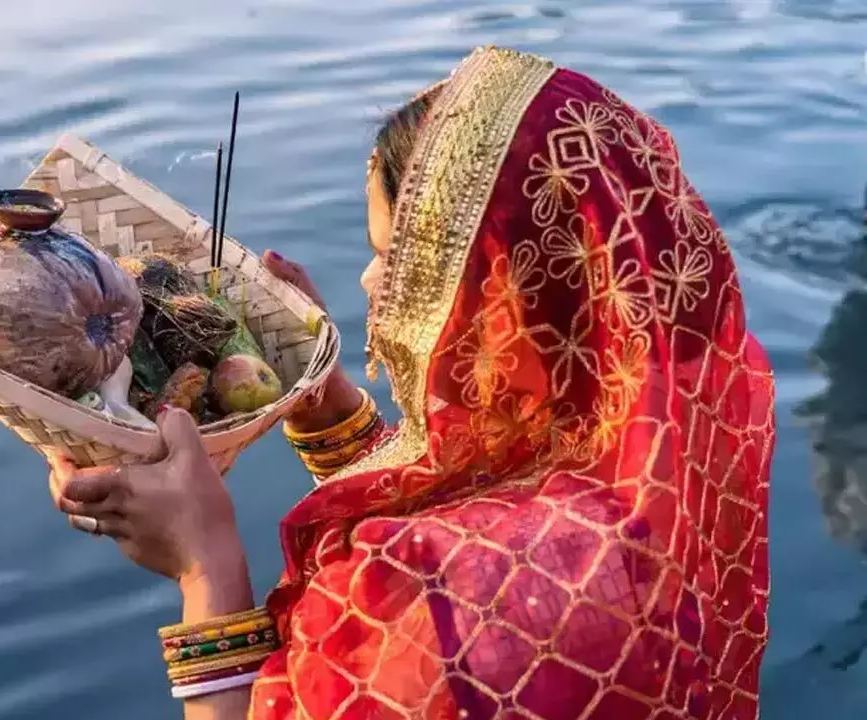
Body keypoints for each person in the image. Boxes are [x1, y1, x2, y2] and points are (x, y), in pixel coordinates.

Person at [45, 46, 776, 720]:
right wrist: (328, 414)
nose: (370, 282)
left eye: (397, 257)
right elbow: (480, 503)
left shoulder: (429, 588)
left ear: (505, 294)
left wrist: (205, 569)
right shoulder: (660, 478)